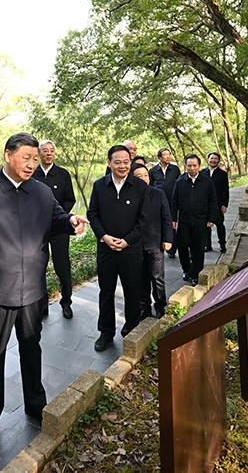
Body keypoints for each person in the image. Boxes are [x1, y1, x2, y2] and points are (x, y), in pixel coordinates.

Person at [0, 132, 89, 451]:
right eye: (26, 157)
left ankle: (35, 404)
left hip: (32, 287)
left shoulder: (42, 191)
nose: (32, 164)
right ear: (8, 155)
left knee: (32, 348)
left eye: (35, 158)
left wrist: (70, 221)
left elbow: (57, 218)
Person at [87, 145, 147, 352]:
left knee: (132, 292)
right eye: (117, 162)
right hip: (106, 250)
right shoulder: (99, 185)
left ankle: (131, 329)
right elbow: (92, 213)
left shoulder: (140, 186)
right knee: (106, 292)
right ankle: (106, 332)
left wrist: (127, 241)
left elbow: (143, 219)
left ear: (131, 162)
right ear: (109, 163)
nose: (122, 166)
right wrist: (104, 237)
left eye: (126, 162)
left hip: (131, 250)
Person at [32, 140, 77, 319]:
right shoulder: (32, 174)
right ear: (39, 154)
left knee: (62, 266)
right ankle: (42, 305)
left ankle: (66, 303)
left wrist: (60, 218)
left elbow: (70, 199)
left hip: (59, 229)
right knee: (38, 268)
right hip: (37, 230)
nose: (49, 153)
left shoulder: (63, 174)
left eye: (52, 151)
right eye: (45, 150)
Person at [170, 155, 220, 286]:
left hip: (201, 221)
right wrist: (173, 218)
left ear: (199, 166)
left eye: (194, 165)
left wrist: (212, 218)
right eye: (189, 165)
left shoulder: (207, 181)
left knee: (198, 248)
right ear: (185, 166)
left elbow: (213, 201)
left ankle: (195, 274)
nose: (192, 168)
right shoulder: (180, 182)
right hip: (184, 220)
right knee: (182, 247)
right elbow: (174, 202)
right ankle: (186, 269)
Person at [131, 163, 174, 318]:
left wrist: (168, 239)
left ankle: (160, 305)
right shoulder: (128, 195)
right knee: (141, 278)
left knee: (157, 277)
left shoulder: (158, 193)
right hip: (136, 244)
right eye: (139, 176)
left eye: (146, 175)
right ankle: (145, 306)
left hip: (155, 242)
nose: (144, 178)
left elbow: (167, 217)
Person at [148, 148, 180, 258]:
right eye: (165, 155)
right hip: (157, 201)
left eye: (169, 154)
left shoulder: (175, 169)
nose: (168, 156)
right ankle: (158, 246)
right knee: (158, 223)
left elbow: (179, 184)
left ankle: (172, 249)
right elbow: (150, 186)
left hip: (172, 201)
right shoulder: (153, 171)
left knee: (171, 224)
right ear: (159, 157)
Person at [202, 152, 230, 253]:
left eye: (216, 159)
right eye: (211, 158)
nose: (213, 160)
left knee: (219, 224)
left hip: (217, 204)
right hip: (204, 204)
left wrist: (225, 204)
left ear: (218, 161)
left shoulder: (222, 174)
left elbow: (225, 190)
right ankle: (207, 244)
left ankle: (222, 244)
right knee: (206, 225)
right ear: (208, 160)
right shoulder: (202, 173)